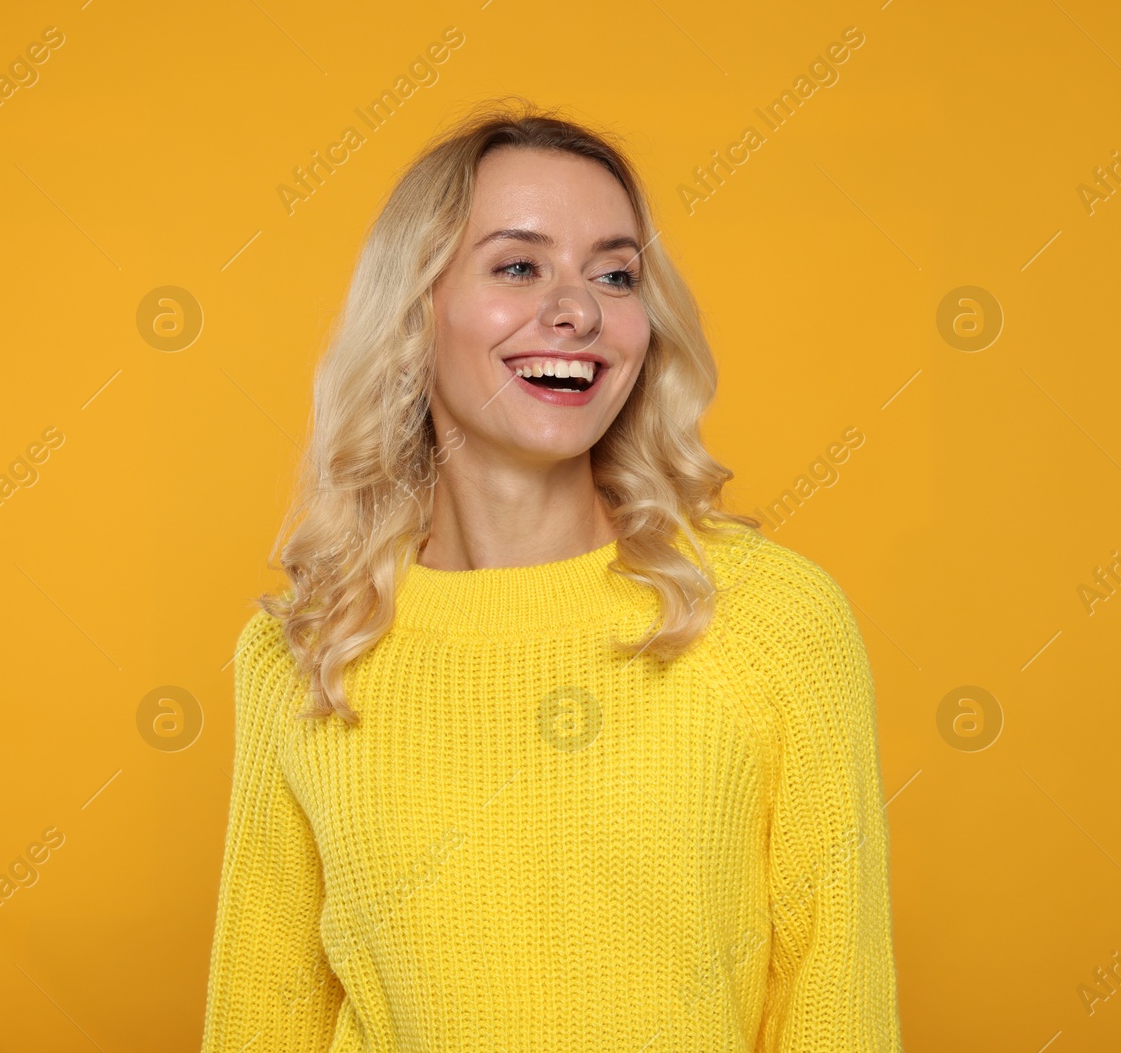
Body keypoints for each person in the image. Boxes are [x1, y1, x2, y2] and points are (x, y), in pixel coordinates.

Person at [197, 97, 904, 1052]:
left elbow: (836, 1004)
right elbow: (263, 1013)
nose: (576, 310)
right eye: (520, 265)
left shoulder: (769, 619)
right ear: (417, 309)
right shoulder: (310, 651)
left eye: (615, 274)